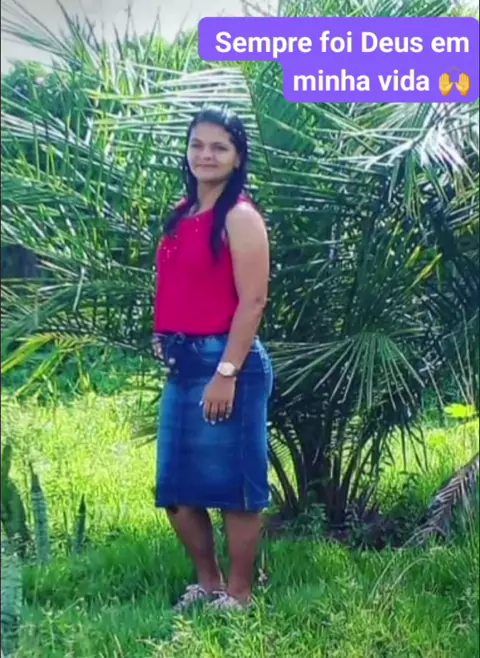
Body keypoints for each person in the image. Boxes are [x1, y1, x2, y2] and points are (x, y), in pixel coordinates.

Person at [151, 107, 273, 612]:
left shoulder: (239, 217)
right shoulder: (181, 214)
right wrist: (163, 334)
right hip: (183, 365)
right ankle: (210, 584)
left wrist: (227, 372)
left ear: (237, 157)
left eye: (219, 147)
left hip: (229, 363)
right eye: (197, 144)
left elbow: (253, 301)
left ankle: (240, 595)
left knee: (234, 486)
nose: (206, 155)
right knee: (176, 489)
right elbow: (177, 284)